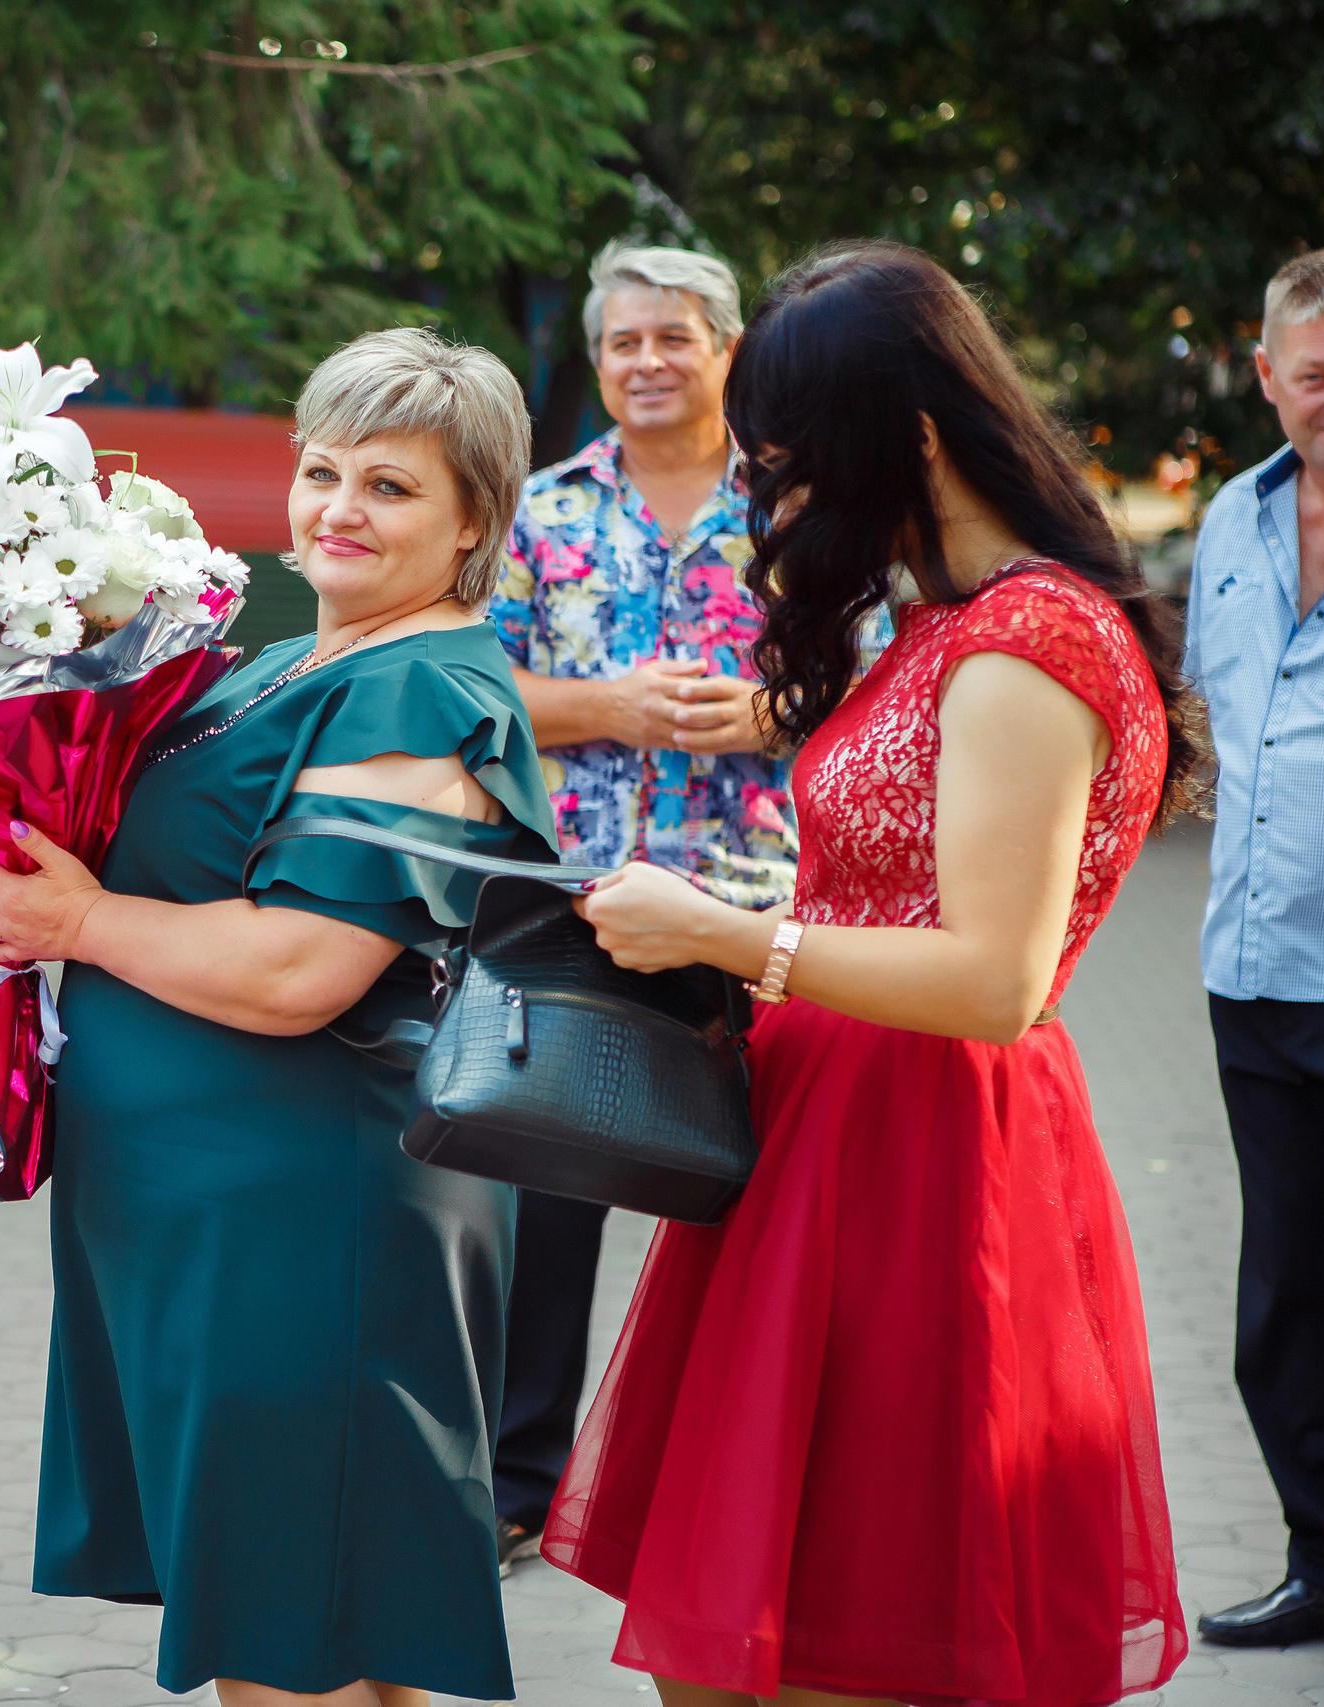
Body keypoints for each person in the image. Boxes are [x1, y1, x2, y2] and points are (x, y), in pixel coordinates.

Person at [538, 241, 1201, 1707]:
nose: (770, 495)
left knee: (853, 1633)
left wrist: (724, 933)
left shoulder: (1030, 640)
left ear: (904, 436)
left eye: (789, 459)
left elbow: (995, 978)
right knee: (730, 1634)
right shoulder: (937, 625)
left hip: (928, 1159)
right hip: (824, 1129)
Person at [0, 328, 554, 1706]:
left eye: (392, 487)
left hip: (302, 1215)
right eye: (323, 469)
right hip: (211, 1213)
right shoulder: (296, 658)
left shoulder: (420, 686)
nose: (339, 507)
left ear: (476, 521)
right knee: (330, 1628)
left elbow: (300, 967)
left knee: (290, 1644)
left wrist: (81, 923)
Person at [487, 240, 886, 1569]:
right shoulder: (542, 512)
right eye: (623, 342)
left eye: (675, 336)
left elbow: (892, 695)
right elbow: (470, 697)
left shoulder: (811, 508)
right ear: (596, 360)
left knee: (763, 1211)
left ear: (727, 349)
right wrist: (608, 705)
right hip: (584, 911)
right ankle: (518, 1480)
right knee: (548, 1201)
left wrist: (775, 714)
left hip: (768, 912)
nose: (647, 361)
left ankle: (751, 1488)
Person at [1183, 247, 1324, 1684]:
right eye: (1317, 373)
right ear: (1266, 375)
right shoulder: (1229, 520)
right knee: (1285, 1303)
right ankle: (1323, 1560)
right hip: (1249, 973)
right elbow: (1213, 715)